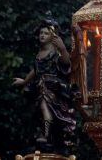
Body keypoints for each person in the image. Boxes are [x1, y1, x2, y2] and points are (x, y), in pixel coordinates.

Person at [12, 20, 76, 151]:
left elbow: (67, 63)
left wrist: (63, 48)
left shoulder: (56, 52)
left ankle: (46, 135)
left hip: (53, 87)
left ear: (52, 36)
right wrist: (24, 81)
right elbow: (36, 70)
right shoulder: (40, 53)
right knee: (39, 111)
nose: (42, 35)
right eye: (41, 33)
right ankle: (44, 133)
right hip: (40, 86)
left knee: (44, 105)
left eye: (46, 33)